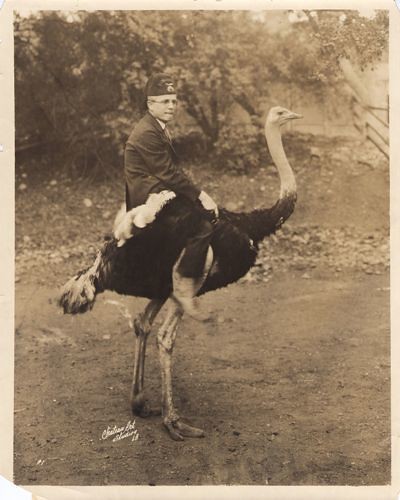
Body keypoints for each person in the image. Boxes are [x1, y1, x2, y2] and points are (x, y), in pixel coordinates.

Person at [124, 73, 218, 319]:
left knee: (201, 212)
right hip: (149, 196)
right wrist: (200, 194)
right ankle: (184, 288)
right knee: (202, 226)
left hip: (159, 188)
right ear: (150, 104)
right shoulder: (147, 132)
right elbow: (167, 172)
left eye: (174, 101)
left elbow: (170, 171)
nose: (171, 106)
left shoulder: (157, 127)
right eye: (164, 101)